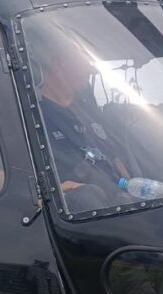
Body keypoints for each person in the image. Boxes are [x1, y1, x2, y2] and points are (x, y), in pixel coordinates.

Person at [35, 58, 133, 212]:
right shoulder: (32, 117)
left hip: (120, 204)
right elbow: (0, 175)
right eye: (83, 64)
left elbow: (115, 159)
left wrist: (133, 188)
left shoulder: (90, 113)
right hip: (77, 215)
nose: (89, 71)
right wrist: (53, 191)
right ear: (60, 66)